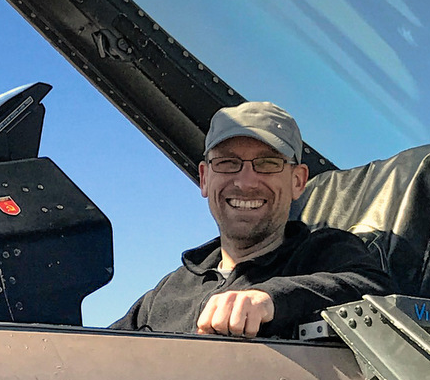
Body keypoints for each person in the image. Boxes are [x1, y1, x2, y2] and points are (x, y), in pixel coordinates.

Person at [113, 101, 392, 337]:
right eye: (227, 163)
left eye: (268, 164)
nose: (246, 182)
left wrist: (270, 298)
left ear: (297, 181)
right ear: (205, 178)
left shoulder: (325, 254)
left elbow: (379, 295)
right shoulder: (166, 294)